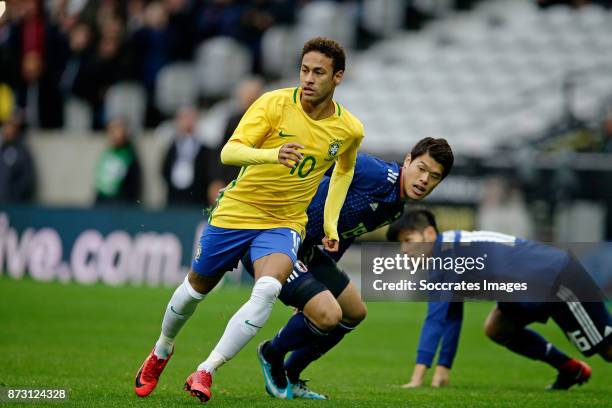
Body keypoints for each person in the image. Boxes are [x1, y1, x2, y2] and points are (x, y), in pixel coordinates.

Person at [134, 37, 364, 403]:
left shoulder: (348, 130)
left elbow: (343, 172)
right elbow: (229, 151)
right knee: (194, 292)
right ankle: (161, 350)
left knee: (269, 289)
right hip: (237, 212)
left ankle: (206, 370)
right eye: (304, 70)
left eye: (318, 72)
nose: (308, 78)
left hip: (283, 222)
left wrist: (332, 223)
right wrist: (274, 154)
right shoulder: (274, 103)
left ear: (338, 77)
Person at [253, 137, 454, 399]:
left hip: (309, 248)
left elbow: (346, 232)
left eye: (434, 176)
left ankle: (291, 373)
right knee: (329, 314)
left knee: (354, 312)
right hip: (283, 237)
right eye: (422, 168)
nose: (425, 179)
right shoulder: (378, 174)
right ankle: (271, 354)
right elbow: (319, 158)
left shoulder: (396, 208)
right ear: (408, 160)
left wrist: (320, 281)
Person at [390, 209, 612, 391]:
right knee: (498, 328)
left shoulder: (446, 256)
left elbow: (435, 320)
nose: (404, 250)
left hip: (557, 280)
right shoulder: (447, 250)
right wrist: (442, 369)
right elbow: (451, 317)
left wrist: (417, 378)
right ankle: (569, 368)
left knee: (607, 349)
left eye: (408, 240)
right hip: (525, 289)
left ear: (429, 234)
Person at [161, 106, 213, 207]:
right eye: (184, 118)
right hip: (174, 196)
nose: (187, 121)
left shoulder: (204, 147)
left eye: (190, 118)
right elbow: (165, 168)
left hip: (197, 197)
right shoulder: (172, 145)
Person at [94, 117, 142, 205]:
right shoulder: (108, 153)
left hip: (120, 204)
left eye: (116, 130)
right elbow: (102, 181)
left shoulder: (128, 155)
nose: (113, 134)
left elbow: (134, 184)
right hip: (103, 201)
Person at [0, 116, 36, 202]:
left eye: (10, 127)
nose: (6, 130)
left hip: (15, 204)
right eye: (5, 127)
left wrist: (14, 196)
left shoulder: (22, 152)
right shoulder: (2, 150)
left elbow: (27, 179)